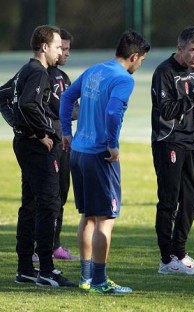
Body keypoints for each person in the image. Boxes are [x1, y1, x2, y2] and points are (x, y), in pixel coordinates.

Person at [60, 29, 150, 293]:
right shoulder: (123, 79)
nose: (141, 63)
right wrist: (112, 143)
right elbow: (112, 111)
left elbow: (67, 97)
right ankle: (100, 280)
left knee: (88, 217)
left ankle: (86, 278)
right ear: (134, 56)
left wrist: (67, 132)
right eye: (142, 59)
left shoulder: (94, 70)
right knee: (105, 219)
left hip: (78, 152)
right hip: (100, 155)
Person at [0, 25, 75, 287]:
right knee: (49, 204)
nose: (60, 51)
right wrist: (42, 132)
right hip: (36, 149)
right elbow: (27, 104)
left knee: (31, 204)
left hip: (25, 144)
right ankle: (46, 269)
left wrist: (21, 129)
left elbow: (6, 97)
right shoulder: (39, 72)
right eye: (57, 46)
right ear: (44, 47)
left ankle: (24, 268)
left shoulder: (26, 70)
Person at [151, 26, 194, 275]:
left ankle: (179, 252)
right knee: (169, 201)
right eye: (192, 50)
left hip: (189, 142)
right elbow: (168, 110)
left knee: (193, 197)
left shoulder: (193, 69)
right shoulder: (164, 72)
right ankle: (166, 259)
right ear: (180, 47)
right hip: (168, 142)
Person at [45, 28, 79, 261]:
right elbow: (62, 108)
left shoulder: (62, 77)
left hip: (64, 143)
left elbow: (71, 108)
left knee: (62, 195)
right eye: (61, 48)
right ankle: (43, 246)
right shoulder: (41, 74)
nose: (65, 53)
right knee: (48, 197)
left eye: (67, 49)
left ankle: (54, 244)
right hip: (49, 144)